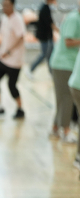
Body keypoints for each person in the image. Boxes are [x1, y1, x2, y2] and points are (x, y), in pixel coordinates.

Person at [0, 0, 26, 119]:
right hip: (2, 58)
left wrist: (9, 51)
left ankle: (20, 109)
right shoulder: (4, 18)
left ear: (13, 6)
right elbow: (3, 36)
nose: (4, 7)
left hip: (14, 60)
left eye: (7, 5)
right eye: (3, 5)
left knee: (12, 86)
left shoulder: (17, 19)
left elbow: (21, 38)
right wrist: (1, 50)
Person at [49, 5, 80, 143]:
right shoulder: (74, 18)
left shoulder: (74, 17)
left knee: (62, 99)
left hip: (66, 63)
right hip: (63, 64)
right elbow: (68, 41)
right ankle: (66, 131)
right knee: (66, 99)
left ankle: (55, 128)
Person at [29, 0, 57, 77]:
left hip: (47, 37)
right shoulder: (45, 8)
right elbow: (48, 23)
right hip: (45, 37)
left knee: (50, 55)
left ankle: (52, 73)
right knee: (45, 54)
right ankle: (31, 69)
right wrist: (57, 29)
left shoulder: (46, 8)